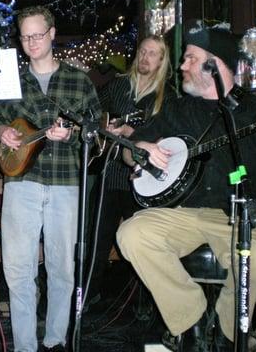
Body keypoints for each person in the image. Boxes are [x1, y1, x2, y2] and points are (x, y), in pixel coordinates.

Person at [116, 23, 256, 351]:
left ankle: (225, 325)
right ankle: (189, 322)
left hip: (243, 214)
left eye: (190, 59)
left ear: (213, 65)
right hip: (180, 214)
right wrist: (141, 149)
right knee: (131, 234)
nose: (181, 66)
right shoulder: (177, 108)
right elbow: (127, 151)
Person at [0, 6, 101, 352]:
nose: (31, 42)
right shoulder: (8, 81)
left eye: (37, 35)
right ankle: (24, 345)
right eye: (25, 36)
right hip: (21, 181)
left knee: (61, 269)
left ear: (52, 34)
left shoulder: (79, 81)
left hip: (65, 182)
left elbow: (95, 137)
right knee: (18, 269)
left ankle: (54, 341)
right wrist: (2, 132)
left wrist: (75, 135)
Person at [85, 35, 175, 307]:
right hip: (110, 172)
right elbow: (91, 109)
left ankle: (149, 303)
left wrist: (132, 132)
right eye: (142, 51)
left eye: (152, 54)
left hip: (144, 180)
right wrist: (105, 127)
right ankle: (88, 296)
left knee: (145, 244)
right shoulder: (119, 85)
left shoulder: (167, 95)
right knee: (97, 240)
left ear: (161, 61)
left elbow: (172, 137)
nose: (145, 57)